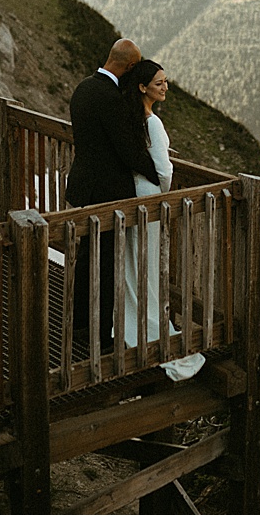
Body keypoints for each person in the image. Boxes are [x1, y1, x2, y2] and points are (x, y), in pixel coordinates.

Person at [63, 38, 160, 353]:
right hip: (108, 192)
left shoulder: (83, 89)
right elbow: (128, 150)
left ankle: (79, 323)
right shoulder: (111, 99)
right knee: (106, 263)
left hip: (84, 185)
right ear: (131, 67)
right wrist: (157, 172)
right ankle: (101, 334)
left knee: (87, 255)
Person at [118, 59, 204, 382]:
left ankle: (129, 322)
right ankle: (151, 325)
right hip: (150, 197)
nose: (165, 87)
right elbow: (165, 171)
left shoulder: (130, 117)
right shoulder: (153, 123)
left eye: (165, 81)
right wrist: (163, 190)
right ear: (142, 88)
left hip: (131, 193)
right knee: (149, 265)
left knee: (132, 263)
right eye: (158, 83)